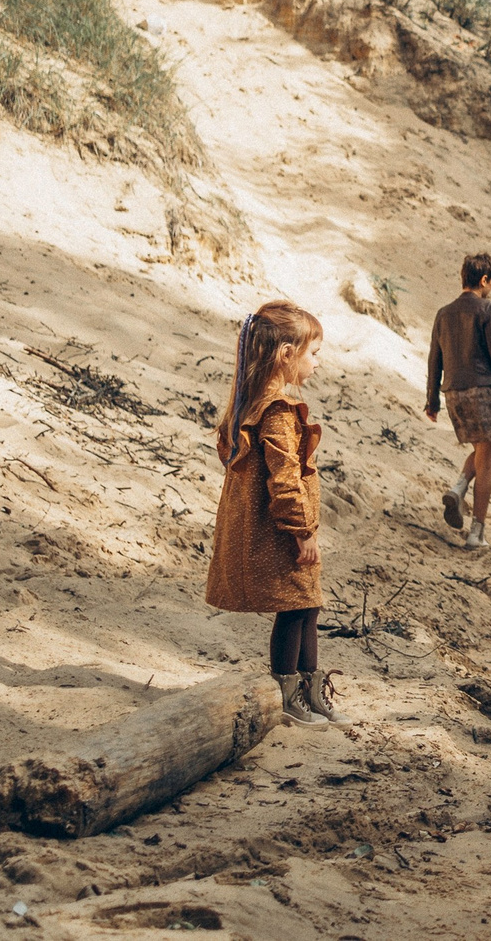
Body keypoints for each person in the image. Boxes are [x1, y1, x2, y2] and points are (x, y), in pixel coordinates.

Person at [205, 300, 345, 727]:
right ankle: (288, 694)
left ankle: (309, 688)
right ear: (287, 353)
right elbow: (285, 479)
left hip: (279, 528)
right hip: (281, 531)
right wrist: (302, 532)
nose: (318, 363)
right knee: (295, 607)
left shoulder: (253, 402)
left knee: (308, 604)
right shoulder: (277, 410)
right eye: (313, 353)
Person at [425, 252, 491, 549]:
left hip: (454, 393)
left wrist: (431, 400)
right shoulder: (487, 309)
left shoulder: (443, 313)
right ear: (484, 279)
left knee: (481, 452)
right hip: (485, 391)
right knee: (487, 462)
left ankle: (459, 489)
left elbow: (435, 359)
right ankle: (477, 532)